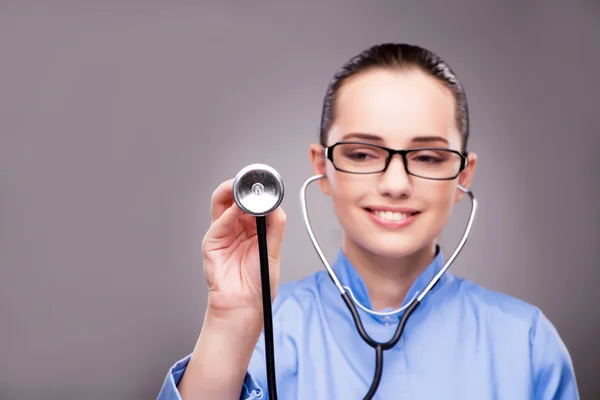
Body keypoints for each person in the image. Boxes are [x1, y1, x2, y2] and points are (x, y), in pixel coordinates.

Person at [157, 43, 579, 399]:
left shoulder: (526, 342)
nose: (396, 184)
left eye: (428, 157)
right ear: (322, 166)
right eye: (362, 153)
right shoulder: (262, 331)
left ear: (462, 175)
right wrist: (232, 319)